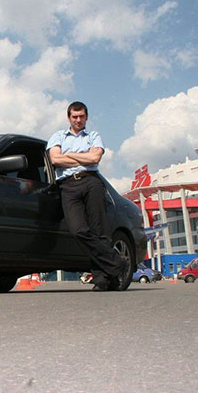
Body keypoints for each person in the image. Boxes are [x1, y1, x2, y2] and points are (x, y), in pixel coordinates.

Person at [47, 101, 128, 291]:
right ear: (69, 118)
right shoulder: (58, 136)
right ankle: (117, 263)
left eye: (81, 116)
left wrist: (70, 156)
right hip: (68, 186)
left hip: (92, 182)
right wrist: (83, 156)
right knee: (78, 230)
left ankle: (102, 280)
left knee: (99, 231)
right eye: (74, 117)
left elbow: (95, 159)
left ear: (86, 117)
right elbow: (54, 159)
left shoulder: (93, 136)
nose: (78, 120)